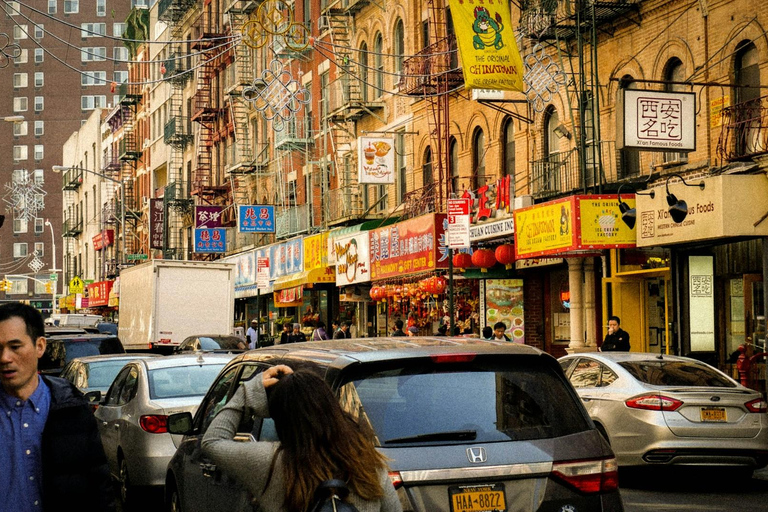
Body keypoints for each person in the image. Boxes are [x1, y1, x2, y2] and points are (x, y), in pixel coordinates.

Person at [202, 363, 402, 512]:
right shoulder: (365, 461)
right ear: (331, 408)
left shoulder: (270, 462)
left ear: (281, 419)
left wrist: (248, 392)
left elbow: (212, 441)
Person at [0, 302, 115, 511]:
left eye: (15, 347)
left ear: (40, 346)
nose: (5, 358)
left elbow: (99, 488)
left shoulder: (72, 409)